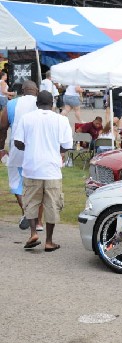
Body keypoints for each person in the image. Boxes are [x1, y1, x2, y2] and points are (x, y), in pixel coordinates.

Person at [13, 91, 72, 252]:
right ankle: (49, 241)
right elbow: (66, 145)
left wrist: (31, 147)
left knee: (31, 201)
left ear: (37, 103)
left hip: (31, 167)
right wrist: (54, 148)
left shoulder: (27, 118)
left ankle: (33, 233)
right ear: (52, 103)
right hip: (52, 169)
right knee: (52, 204)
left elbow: (18, 142)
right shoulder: (61, 120)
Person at [0, 80, 44, 231]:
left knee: (17, 184)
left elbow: (2, 128)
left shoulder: (12, 105)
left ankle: (26, 212)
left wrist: (1, 149)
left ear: (23, 90)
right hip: (40, 150)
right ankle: (38, 222)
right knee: (38, 185)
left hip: (18, 149)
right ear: (36, 90)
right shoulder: (43, 103)